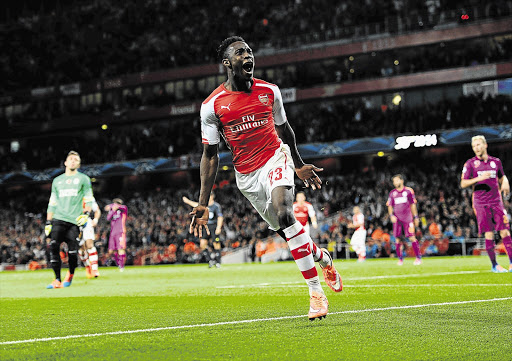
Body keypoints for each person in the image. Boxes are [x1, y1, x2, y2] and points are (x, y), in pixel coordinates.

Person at [189, 36, 342, 321]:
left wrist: (297, 165)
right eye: (240, 53)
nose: (248, 55)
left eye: (249, 51)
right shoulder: (211, 106)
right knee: (288, 231)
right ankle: (322, 258)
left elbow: (286, 130)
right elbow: (210, 156)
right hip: (246, 177)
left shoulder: (270, 91)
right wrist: (203, 202)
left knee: (286, 214)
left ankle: (315, 292)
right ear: (227, 63)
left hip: (275, 158)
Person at [461, 135, 511, 273]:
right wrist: (478, 178)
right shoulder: (470, 164)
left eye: (478, 145)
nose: (476, 148)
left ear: (485, 145)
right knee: (489, 233)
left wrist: (505, 181)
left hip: (496, 201)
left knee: (505, 231)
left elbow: (502, 176)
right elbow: (463, 183)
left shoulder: (496, 162)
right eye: (474, 146)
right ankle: (495, 265)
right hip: (481, 203)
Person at [45, 151, 94, 288]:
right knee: (54, 246)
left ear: (78, 164)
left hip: (74, 220)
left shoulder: (83, 179)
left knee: (72, 252)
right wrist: (48, 221)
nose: (73, 161)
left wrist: (86, 214)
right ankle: (57, 279)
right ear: (66, 163)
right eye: (71, 159)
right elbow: (52, 202)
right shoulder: (57, 181)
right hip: (58, 218)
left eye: (76, 160)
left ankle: (70, 274)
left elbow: (88, 197)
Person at [386, 174, 422, 266]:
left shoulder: (409, 191)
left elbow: (412, 205)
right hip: (397, 220)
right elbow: (389, 205)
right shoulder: (392, 193)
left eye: (396, 180)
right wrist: (391, 215)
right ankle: (400, 259)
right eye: (394, 181)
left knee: (411, 237)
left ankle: (418, 258)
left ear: (402, 181)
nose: (395, 183)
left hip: (408, 219)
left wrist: (416, 217)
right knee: (397, 239)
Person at [183, 193, 224, 268]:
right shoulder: (204, 206)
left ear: (212, 197)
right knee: (202, 244)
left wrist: (218, 227)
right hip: (205, 226)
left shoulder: (216, 206)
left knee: (216, 244)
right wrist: (187, 201)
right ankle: (210, 261)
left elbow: (220, 217)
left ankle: (218, 262)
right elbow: (195, 204)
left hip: (213, 227)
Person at [78, 198, 101, 278]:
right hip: (75, 223)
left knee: (90, 245)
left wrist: (95, 219)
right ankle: (87, 266)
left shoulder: (89, 197)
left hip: (86, 222)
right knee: (81, 248)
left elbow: (97, 210)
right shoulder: (72, 194)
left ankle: (94, 269)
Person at [105, 198, 128, 271]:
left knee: (120, 249)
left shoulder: (123, 210)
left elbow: (124, 207)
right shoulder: (113, 211)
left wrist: (113, 206)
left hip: (120, 232)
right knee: (111, 251)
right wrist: (112, 209)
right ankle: (118, 264)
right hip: (112, 233)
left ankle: (121, 266)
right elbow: (108, 218)